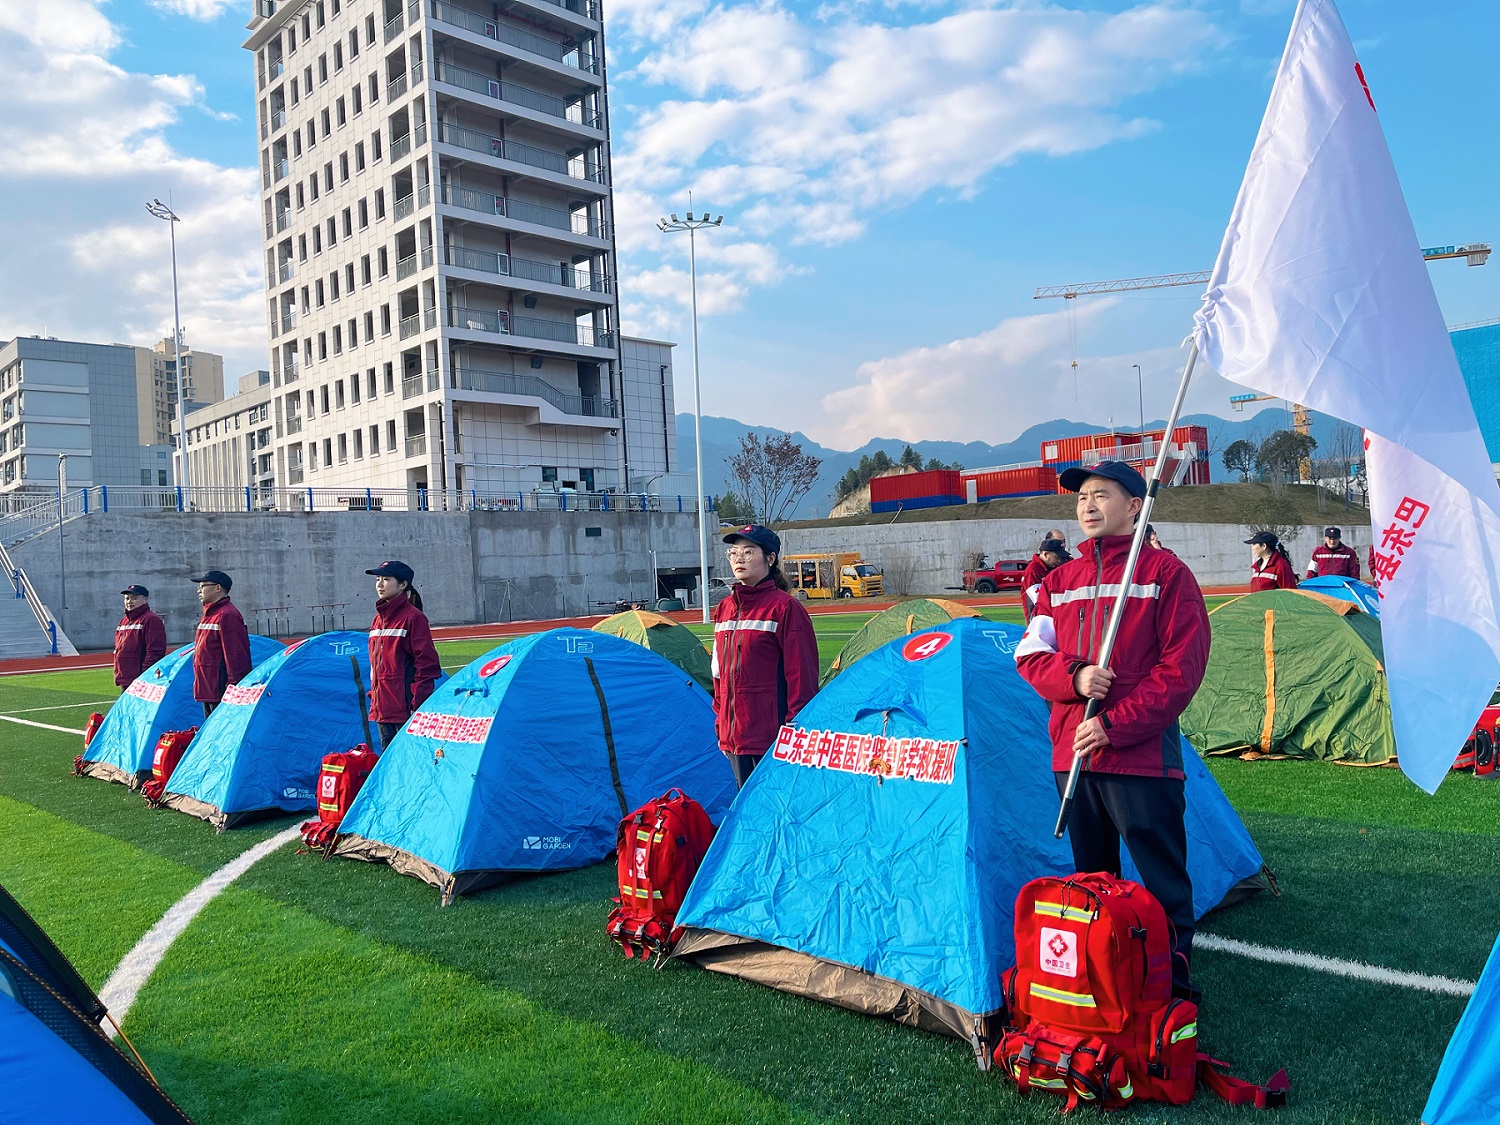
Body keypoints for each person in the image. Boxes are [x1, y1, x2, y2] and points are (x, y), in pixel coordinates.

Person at [1014, 461, 1209, 1000]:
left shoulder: (1167, 575)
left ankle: (1169, 990)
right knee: (1090, 882)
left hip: (1141, 758)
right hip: (1072, 756)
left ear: (1134, 506)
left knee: (1162, 879)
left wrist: (1114, 726)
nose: (1088, 505)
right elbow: (1030, 656)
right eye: (1081, 498)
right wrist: (1075, 677)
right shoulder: (1057, 582)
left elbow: (1180, 672)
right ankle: (1101, 980)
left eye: (1102, 494)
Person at [712, 524, 819, 788]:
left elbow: (802, 676)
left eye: (748, 552)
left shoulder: (785, 608)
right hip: (733, 740)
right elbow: (718, 673)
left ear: (770, 559)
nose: (738, 559)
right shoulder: (724, 609)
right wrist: (721, 724)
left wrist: (795, 731)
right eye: (733, 553)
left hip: (771, 739)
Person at [366, 560, 441, 750]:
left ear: (403, 585)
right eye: (378, 579)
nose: (380, 584)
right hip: (382, 709)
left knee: (409, 765)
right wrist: (374, 696)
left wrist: (418, 705)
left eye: (386, 579)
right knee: (388, 766)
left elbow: (427, 665)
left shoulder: (414, 618)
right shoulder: (378, 620)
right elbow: (377, 666)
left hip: (405, 711)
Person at [191, 570, 251, 717]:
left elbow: (235, 655)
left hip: (219, 688)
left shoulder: (227, 615)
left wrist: (232, 687)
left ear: (218, 588)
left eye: (203, 586)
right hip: (207, 686)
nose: (199, 590)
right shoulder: (209, 615)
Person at [113, 583, 167, 691]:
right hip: (126, 678)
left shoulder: (151, 620)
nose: (129, 602)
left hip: (139, 679)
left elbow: (155, 651)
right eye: (127, 598)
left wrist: (145, 675)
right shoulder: (124, 621)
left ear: (145, 600)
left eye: (134, 598)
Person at [1021, 537, 1073, 623]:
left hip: (1054, 616)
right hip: (1039, 620)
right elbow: (1040, 601)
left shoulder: (1052, 567)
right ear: (1045, 554)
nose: (1059, 561)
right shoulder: (1033, 571)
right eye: (1056, 557)